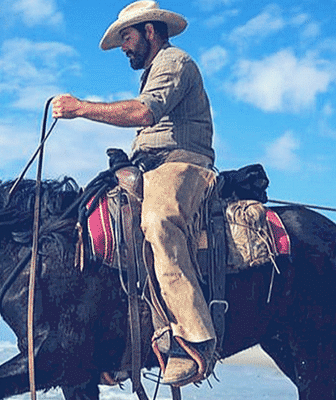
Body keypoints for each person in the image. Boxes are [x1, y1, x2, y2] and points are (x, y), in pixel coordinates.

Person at [51, 0, 216, 387]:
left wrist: (80, 110)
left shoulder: (176, 63)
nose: (124, 46)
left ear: (150, 32)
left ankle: (195, 338)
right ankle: (125, 340)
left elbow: (144, 114)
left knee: (158, 223)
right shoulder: (153, 70)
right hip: (149, 165)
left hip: (182, 163)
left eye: (127, 36)